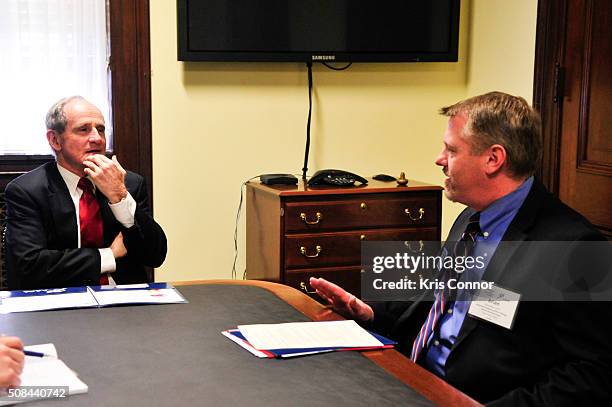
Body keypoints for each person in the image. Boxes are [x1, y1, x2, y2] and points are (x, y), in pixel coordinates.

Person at [310, 92, 612, 405]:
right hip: (411, 379)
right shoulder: (471, 216)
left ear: (493, 159)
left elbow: (594, 374)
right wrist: (369, 312)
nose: (440, 159)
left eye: (451, 149)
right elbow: (436, 303)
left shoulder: (574, 246)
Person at [5, 96, 167, 289]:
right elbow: (28, 266)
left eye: (101, 129)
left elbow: (155, 255)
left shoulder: (128, 183)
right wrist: (109, 255)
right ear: (55, 140)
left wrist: (120, 196)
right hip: (61, 302)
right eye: (83, 130)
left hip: (124, 302)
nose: (97, 138)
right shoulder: (27, 191)